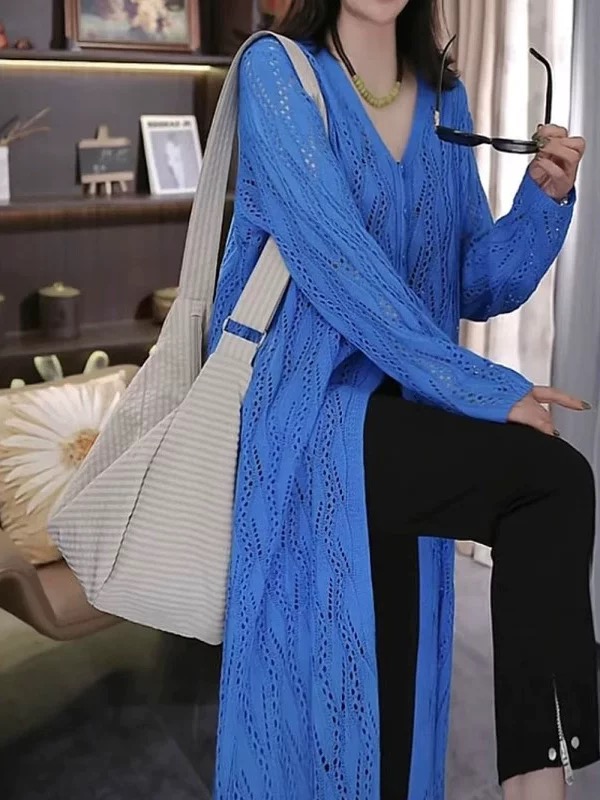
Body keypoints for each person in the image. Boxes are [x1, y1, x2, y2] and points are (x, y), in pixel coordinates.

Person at [208, 1, 599, 798]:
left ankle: (539, 770)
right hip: (310, 420)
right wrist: (486, 387)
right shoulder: (279, 73)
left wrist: (542, 203)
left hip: (412, 413)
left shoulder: (445, 98)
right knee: (550, 481)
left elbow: (474, 282)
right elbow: (339, 268)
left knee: (396, 699)